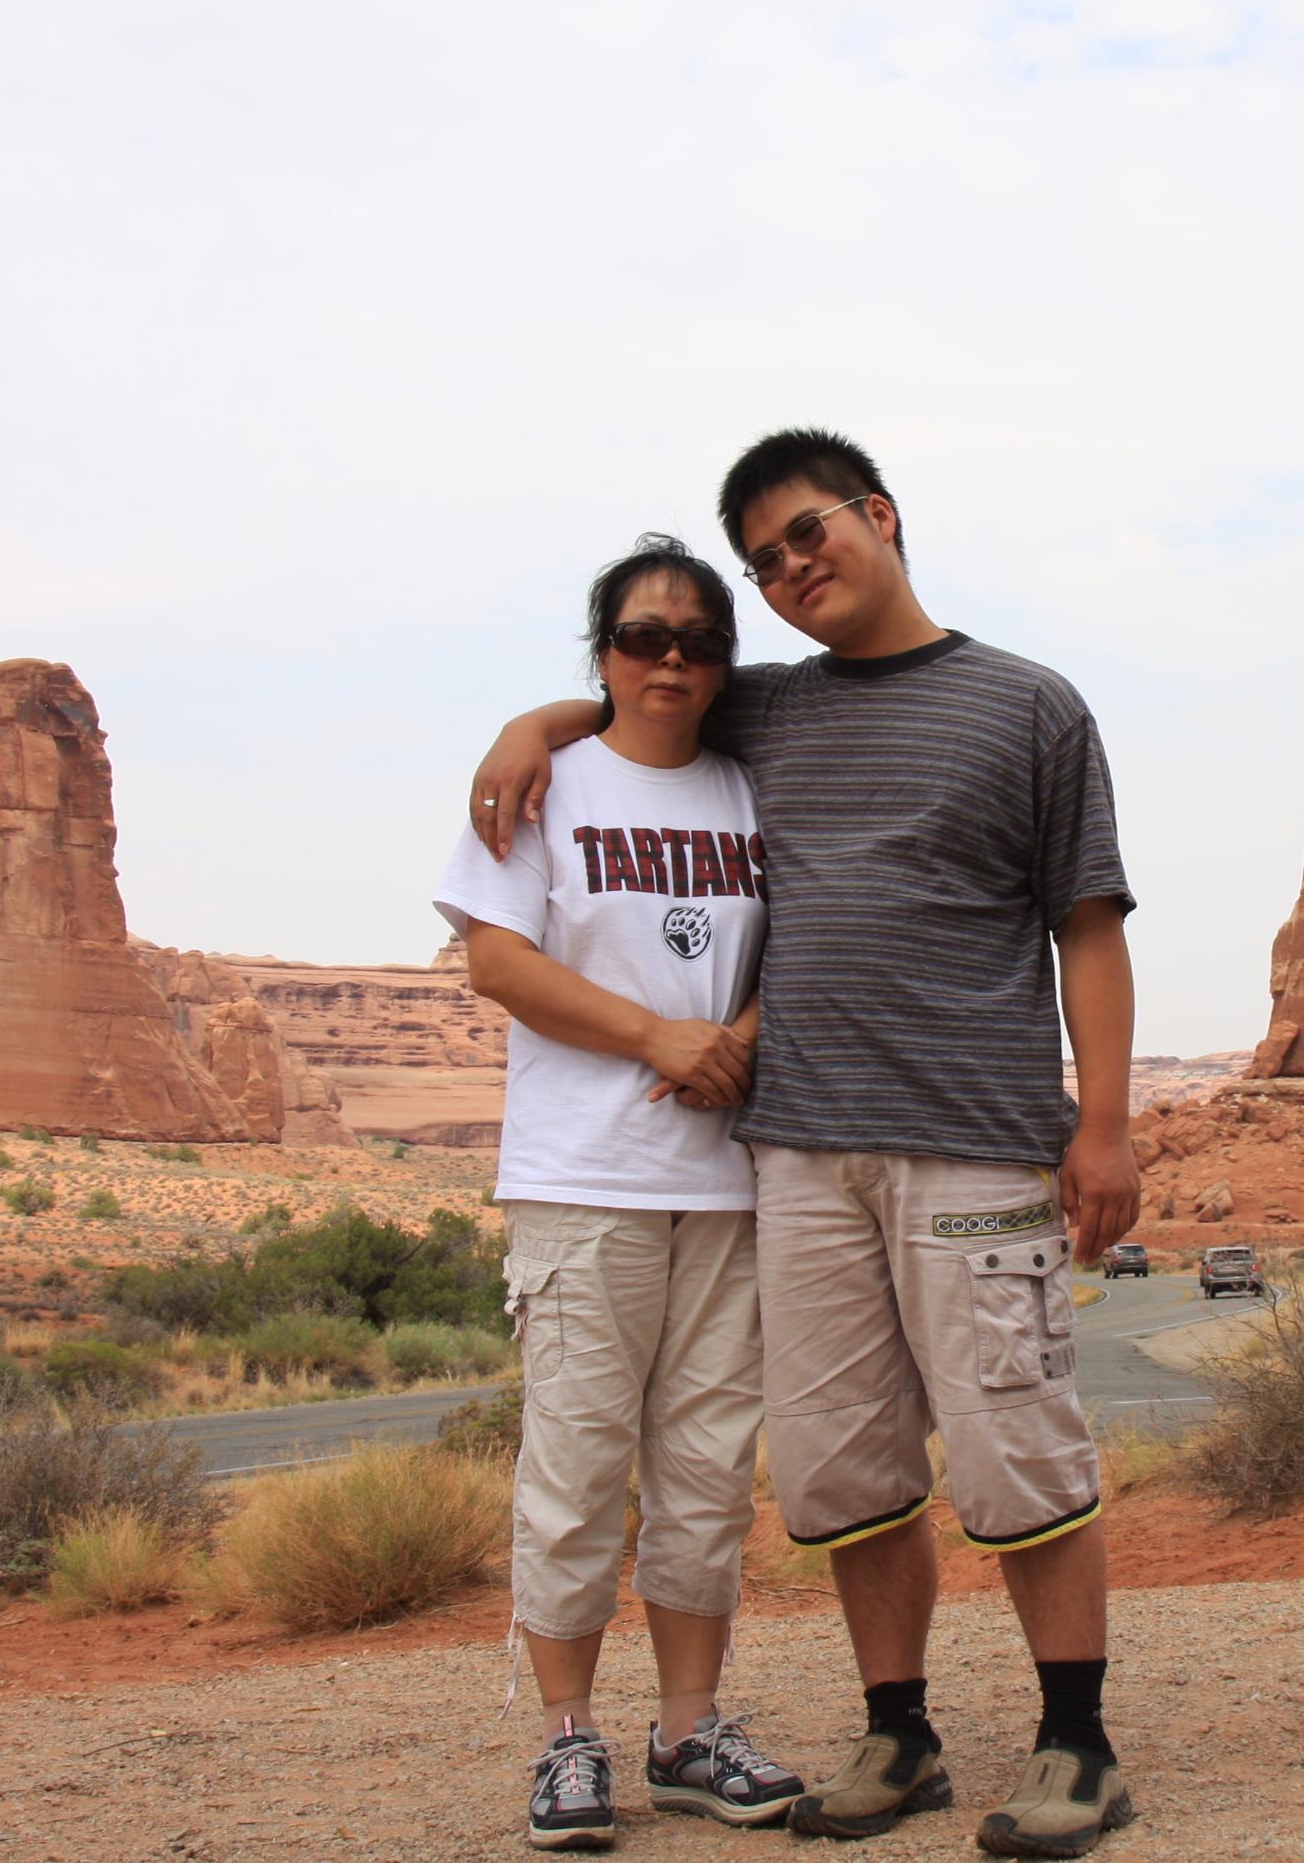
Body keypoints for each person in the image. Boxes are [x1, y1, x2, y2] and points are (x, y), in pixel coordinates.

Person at [470, 428, 1141, 1858]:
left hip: (968, 1139)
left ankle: (1077, 1745)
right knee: (844, 1469)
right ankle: (899, 1736)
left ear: (879, 516)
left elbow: (1088, 923)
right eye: (764, 561)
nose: (789, 570)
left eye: (805, 536)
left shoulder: (1030, 705)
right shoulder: (766, 710)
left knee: (1016, 1445)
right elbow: (638, 705)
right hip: (795, 1158)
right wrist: (532, 725)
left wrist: (1106, 1122)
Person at [434, 534, 805, 1850]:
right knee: (580, 1466)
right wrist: (659, 1038)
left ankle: (691, 1731)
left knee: (705, 1474)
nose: (672, 661)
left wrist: (741, 1039)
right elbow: (495, 962)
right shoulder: (546, 786)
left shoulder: (757, 789)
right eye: (646, 637)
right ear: (603, 654)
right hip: (583, 1178)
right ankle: (568, 1740)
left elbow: (804, 943)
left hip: (727, 1185)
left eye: (700, 641)